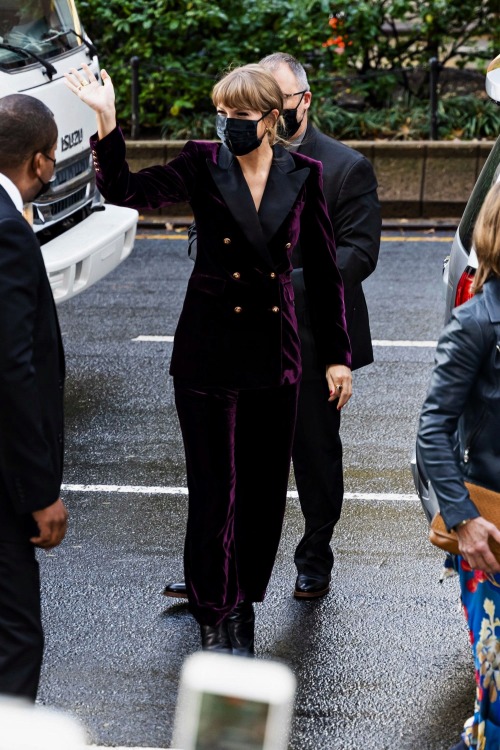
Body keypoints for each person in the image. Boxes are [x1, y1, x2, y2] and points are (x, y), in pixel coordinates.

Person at [64, 62, 352, 655]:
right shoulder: (202, 162)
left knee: (264, 493)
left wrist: (338, 358)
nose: (228, 126)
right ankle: (214, 610)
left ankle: (243, 600)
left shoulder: (305, 174)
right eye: (221, 114)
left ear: (273, 119)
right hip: (207, 353)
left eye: (241, 116)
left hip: (276, 356)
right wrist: (106, 117)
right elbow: (126, 191)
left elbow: (324, 276)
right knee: (214, 490)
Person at [163, 52, 381, 602]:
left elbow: (357, 254)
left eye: (270, 104)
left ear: (299, 103)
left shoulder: (343, 167)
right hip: (235, 340)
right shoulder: (225, 163)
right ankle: (218, 575)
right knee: (230, 464)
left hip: (308, 340)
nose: (253, 115)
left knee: (313, 455)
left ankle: (314, 556)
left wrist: (278, 281)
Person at [418, 181, 500, 750]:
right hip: (493, 536)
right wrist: (463, 518)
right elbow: (432, 430)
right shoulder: (476, 323)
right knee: (496, 698)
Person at [0, 94, 68, 700]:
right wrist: (41, 492)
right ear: (42, 162)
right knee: (16, 639)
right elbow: (13, 371)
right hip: (3, 484)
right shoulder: (8, 232)